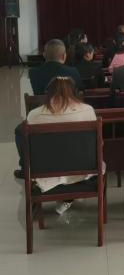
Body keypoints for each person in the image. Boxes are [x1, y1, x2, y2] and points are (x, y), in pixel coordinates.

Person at [18, 76, 98, 214]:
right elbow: (96, 144)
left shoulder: (34, 115)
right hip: (81, 170)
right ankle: (68, 197)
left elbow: (28, 148)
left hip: (45, 173)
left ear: (48, 93)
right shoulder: (88, 110)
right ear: (75, 92)